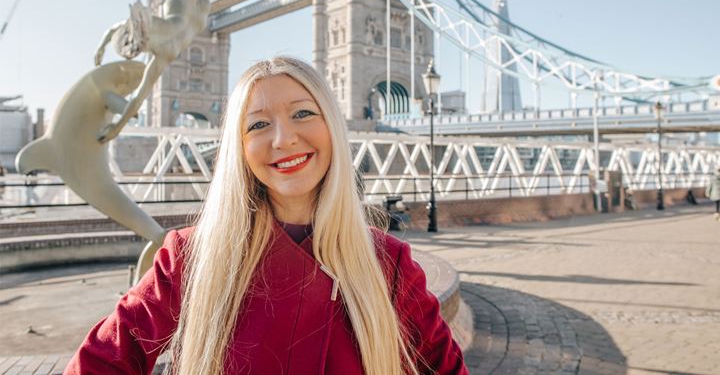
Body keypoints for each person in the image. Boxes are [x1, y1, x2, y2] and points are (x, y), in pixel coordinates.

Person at [64, 57, 468, 374]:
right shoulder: (190, 259)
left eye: (304, 114)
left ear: (333, 127)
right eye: (258, 124)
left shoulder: (390, 266)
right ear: (238, 148)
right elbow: (102, 362)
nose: (283, 138)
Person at [93, 0, 215, 143]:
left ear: (138, 50)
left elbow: (137, 99)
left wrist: (117, 128)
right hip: (180, 0)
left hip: (200, 12)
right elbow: (117, 28)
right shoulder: (149, 23)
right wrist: (101, 47)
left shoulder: (163, 55)